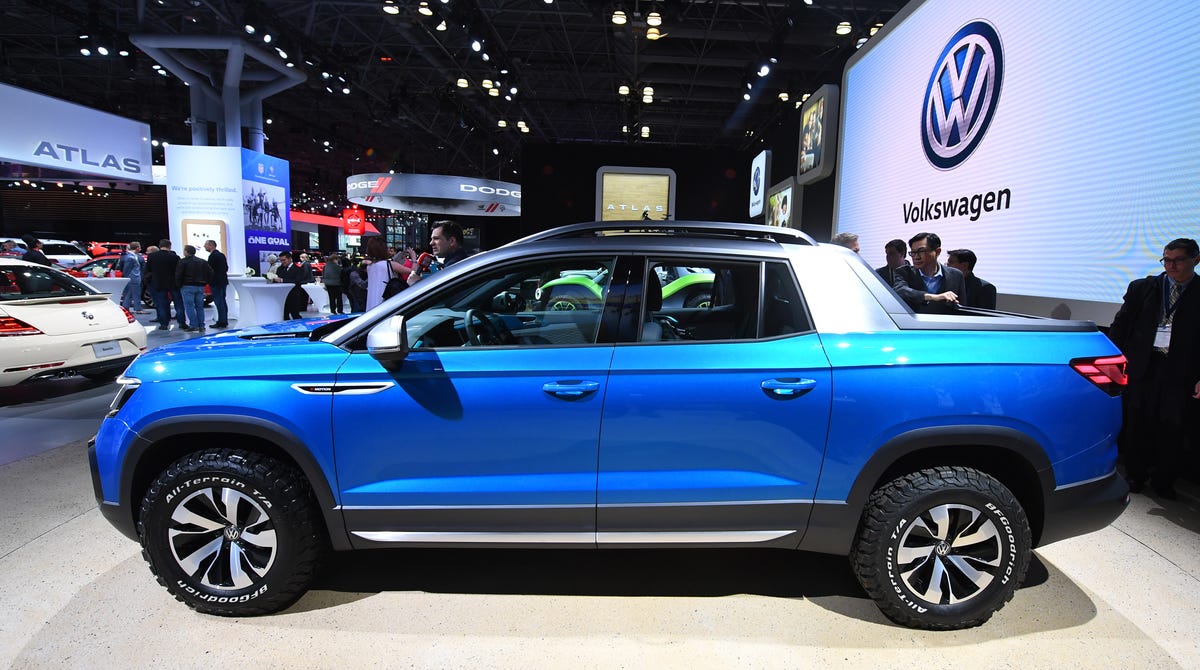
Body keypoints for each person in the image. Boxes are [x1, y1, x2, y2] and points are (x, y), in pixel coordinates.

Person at [1107, 238, 1200, 499]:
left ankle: (1164, 481)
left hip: (1180, 372)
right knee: (1137, 423)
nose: (1171, 266)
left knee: (1172, 429)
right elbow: (1120, 326)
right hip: (1143, 367)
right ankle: (1135, 475)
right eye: (1166, 260)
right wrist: (1114, 362)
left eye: (1178, 260)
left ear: (1195, 259)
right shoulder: (1144, 288)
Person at [891, 232, 965, 314]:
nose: (916, 257)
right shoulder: (904, 272)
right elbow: (900, 290)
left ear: (937, 252)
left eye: (921, 251)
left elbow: (962, 309)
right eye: (913, 253)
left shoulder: (956, 275)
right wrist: (933, 297)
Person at [406, 220, 469, 286]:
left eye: (436, 238)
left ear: (452, 241)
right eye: (431, 239)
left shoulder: (454, 267)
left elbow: (445, 295)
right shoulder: (459, 263)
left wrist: (416, 284)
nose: (431, 243)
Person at [145, 239, 186, 330]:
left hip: (158, 283)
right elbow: (178, 271)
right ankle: (182, 323)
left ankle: (164, 324)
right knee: (178, 304)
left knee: (161, 304)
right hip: (173, 283)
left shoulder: (152, 256)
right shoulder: (175, 257)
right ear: (170, 246)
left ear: (159, 246)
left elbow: (148, 270)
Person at [363, 235, 413, 310]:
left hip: (371, 305)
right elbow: (413, 272)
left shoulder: (369, 267)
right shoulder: (389, 264)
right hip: (385, 305)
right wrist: (414, 258)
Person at [175, 244, 213, 332]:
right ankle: (201, 325)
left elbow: (178, 274)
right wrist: (205, 282)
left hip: (187, 286)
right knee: (200, 306)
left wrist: (179, 285)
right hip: (200, 286)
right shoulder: (202, 261)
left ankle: (193, 325)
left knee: (189, 306)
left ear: (186, 252)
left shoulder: (183, 262)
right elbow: (211, 272)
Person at [272, 251, 312, 320]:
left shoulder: (298, 269)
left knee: (295, 315)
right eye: (281, 260)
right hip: (282, 296)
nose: (282, 262)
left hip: (293, 295)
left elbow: (297, 281)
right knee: (284, 316)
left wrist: (282, 280)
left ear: (290, 259)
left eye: (284, 260)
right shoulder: (279, 269)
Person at [204, 239, 230, 327]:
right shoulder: (221, 255)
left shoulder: (212, 256)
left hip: (216, 282)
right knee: (222, 301)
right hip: (222, 281)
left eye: (206, 245)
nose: (204, 246)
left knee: (219, 302)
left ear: (211, 245)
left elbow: (209, 270)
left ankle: (221, 322)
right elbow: (226, 268)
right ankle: (224, 320)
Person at [118, 241, 145, 313]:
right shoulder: (130, 257)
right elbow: (126, 269)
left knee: (128, 294)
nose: (140, 248)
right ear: (137, 247)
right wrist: (127, 277)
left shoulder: (133, 256)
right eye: (139, 246)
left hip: (133, 278)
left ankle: (125, 308)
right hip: (133, 278)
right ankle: (137, 309)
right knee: (135, 293)